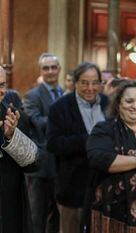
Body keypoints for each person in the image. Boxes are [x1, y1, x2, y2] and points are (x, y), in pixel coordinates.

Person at [84, 81, 136, 233]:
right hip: (113, 208)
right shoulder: (104, 129)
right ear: (118, 103)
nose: (135, 106)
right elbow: (98, 158)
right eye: (129, 101)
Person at [47, 62, 108, 233]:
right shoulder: (60, 107)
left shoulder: (108, 104)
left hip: (104, 186)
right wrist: (89, 140)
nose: (90, 88)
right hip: (72, 187)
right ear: (75, 83)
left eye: (95, 82)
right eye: (84, 82)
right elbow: (53, 144)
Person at [24, 53, 62, 233]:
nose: (50, 71)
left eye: (54, 67)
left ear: (59, 69)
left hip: (61, 164)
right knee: (36, 215)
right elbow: (37, 122)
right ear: (41, 71)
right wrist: (64, 120)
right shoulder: (32, 95)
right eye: (46, 68)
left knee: (56, 215)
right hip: (40, 165)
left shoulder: (64, 92)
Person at [0, 66, 39, 233]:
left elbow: (33, 163)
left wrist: (11, 137)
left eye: (2, 85)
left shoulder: (13, 114)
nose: (0, 91)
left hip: (8, 206)